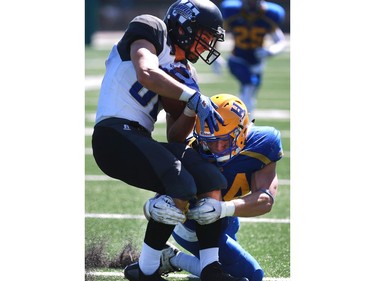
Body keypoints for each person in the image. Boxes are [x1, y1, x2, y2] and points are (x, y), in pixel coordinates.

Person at [91, 0, 249, 280]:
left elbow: (175, 136)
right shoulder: (151, 29)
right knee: (182, 184)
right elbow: (147, 72)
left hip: (139, 138)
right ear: (185, 26)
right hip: (112, 136)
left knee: (211, 178)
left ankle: (211, 267)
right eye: (205, 36)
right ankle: (148, 269)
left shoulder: (186, 73)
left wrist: (191, 108)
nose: (207, 46)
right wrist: (190, 97)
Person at [124, 93, 283, 281]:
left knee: (227, 262)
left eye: (225, 140)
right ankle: (174, 259)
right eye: (210, 140)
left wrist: (223, 209)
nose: (217, 148)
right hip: (192, 223)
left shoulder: (263, 143)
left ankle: (170, 258)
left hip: (226, 216)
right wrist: (149, 208)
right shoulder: (191, 148)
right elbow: (164, 205)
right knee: (252, 275)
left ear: (242, 131)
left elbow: (265, 200)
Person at [215, 0, 286, 114]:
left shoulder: (269, 15)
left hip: (257, 63)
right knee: (249, 85)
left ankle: (238, 117)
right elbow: (218, 34)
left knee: (250, 93)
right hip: (237, 59)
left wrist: (270, 51)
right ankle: (240, 119)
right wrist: (216, 57)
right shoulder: (233, 12)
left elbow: (280, 41)